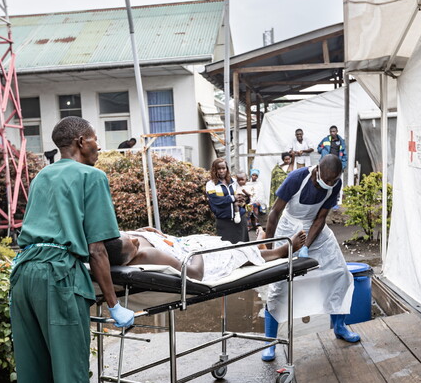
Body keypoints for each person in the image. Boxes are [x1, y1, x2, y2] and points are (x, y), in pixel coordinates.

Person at [10, 116, 135, 383]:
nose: (99, 146)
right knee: (71, 377)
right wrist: (113, 305)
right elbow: (97, 249)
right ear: (81, 142)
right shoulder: (92, 177)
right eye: (95, 140)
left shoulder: (43, 176)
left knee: (37, 374)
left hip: (24, 275)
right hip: (59, 277)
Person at [261, 154, 359, 362]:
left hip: (316, 231)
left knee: (339, 273)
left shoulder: (335, 183)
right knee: (278, 285)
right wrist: (269, 250)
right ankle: (270, 342)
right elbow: (274, 213)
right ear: (317, 171)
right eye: (328, 179)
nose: (331, 184)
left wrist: (306, 246)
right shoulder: (297, 178)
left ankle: (340, 326)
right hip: (289, 228)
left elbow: (321, 218)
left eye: (335, 180)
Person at [104, 227, 306, 282]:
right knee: (234, 252)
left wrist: (140, 231)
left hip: (180, 244)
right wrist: (198, 251)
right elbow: (194, 275)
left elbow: (127, 239)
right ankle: (280, 251)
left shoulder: (115, 240)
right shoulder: (147, 255)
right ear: (130, 257)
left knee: (228, 244)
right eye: (133, 245)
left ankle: (259, 247)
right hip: (193, 255)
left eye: (129, 237)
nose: (135, 240)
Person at [207, 158, 248, 243]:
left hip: (240, 219)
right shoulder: (211, 184)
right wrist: (233, 198)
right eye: (219, 169)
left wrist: (245, 198)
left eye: (224, 168)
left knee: (243, 249)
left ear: (227, 169)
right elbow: (216, 201)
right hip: (224, 222)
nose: (222, 171)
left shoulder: (234, 182)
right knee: (227, 250)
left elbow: (242, 197)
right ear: (214, 170)